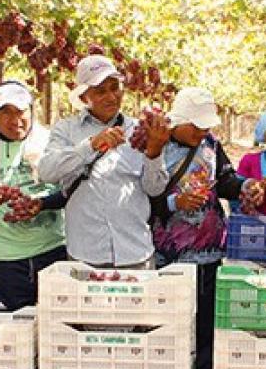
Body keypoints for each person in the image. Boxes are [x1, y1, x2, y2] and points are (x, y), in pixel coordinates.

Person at [149, 87, 258, 369]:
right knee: (176, 324)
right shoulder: (155, 147)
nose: (200, 132)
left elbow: (223, 179)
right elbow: (141, 197)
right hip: (171, 257)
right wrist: (174, 203)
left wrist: (243, 186)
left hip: (209, 253)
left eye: (205, 126)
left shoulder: (210, 145)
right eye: (194, 126)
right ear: (178, 121)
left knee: (208, 323)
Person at [38, 55, 170, 269]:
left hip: (136, 253)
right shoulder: (67, 130)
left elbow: (155, 189)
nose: (111, 96)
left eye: (114, 88)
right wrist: (90, 146)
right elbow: (46, 171)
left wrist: (154, 153)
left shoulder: (139, 130)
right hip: (86, 256)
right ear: (84, 98)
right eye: (100, 91)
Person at [0, 81, 66, 312]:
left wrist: (43, 204)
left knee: (57, 327)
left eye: (21, 111)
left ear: (32, 111)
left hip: (53, 251)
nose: (15, 120)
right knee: (11, 332)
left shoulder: (54, 145)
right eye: (6, 113)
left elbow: (71, 192)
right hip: (7, 261)